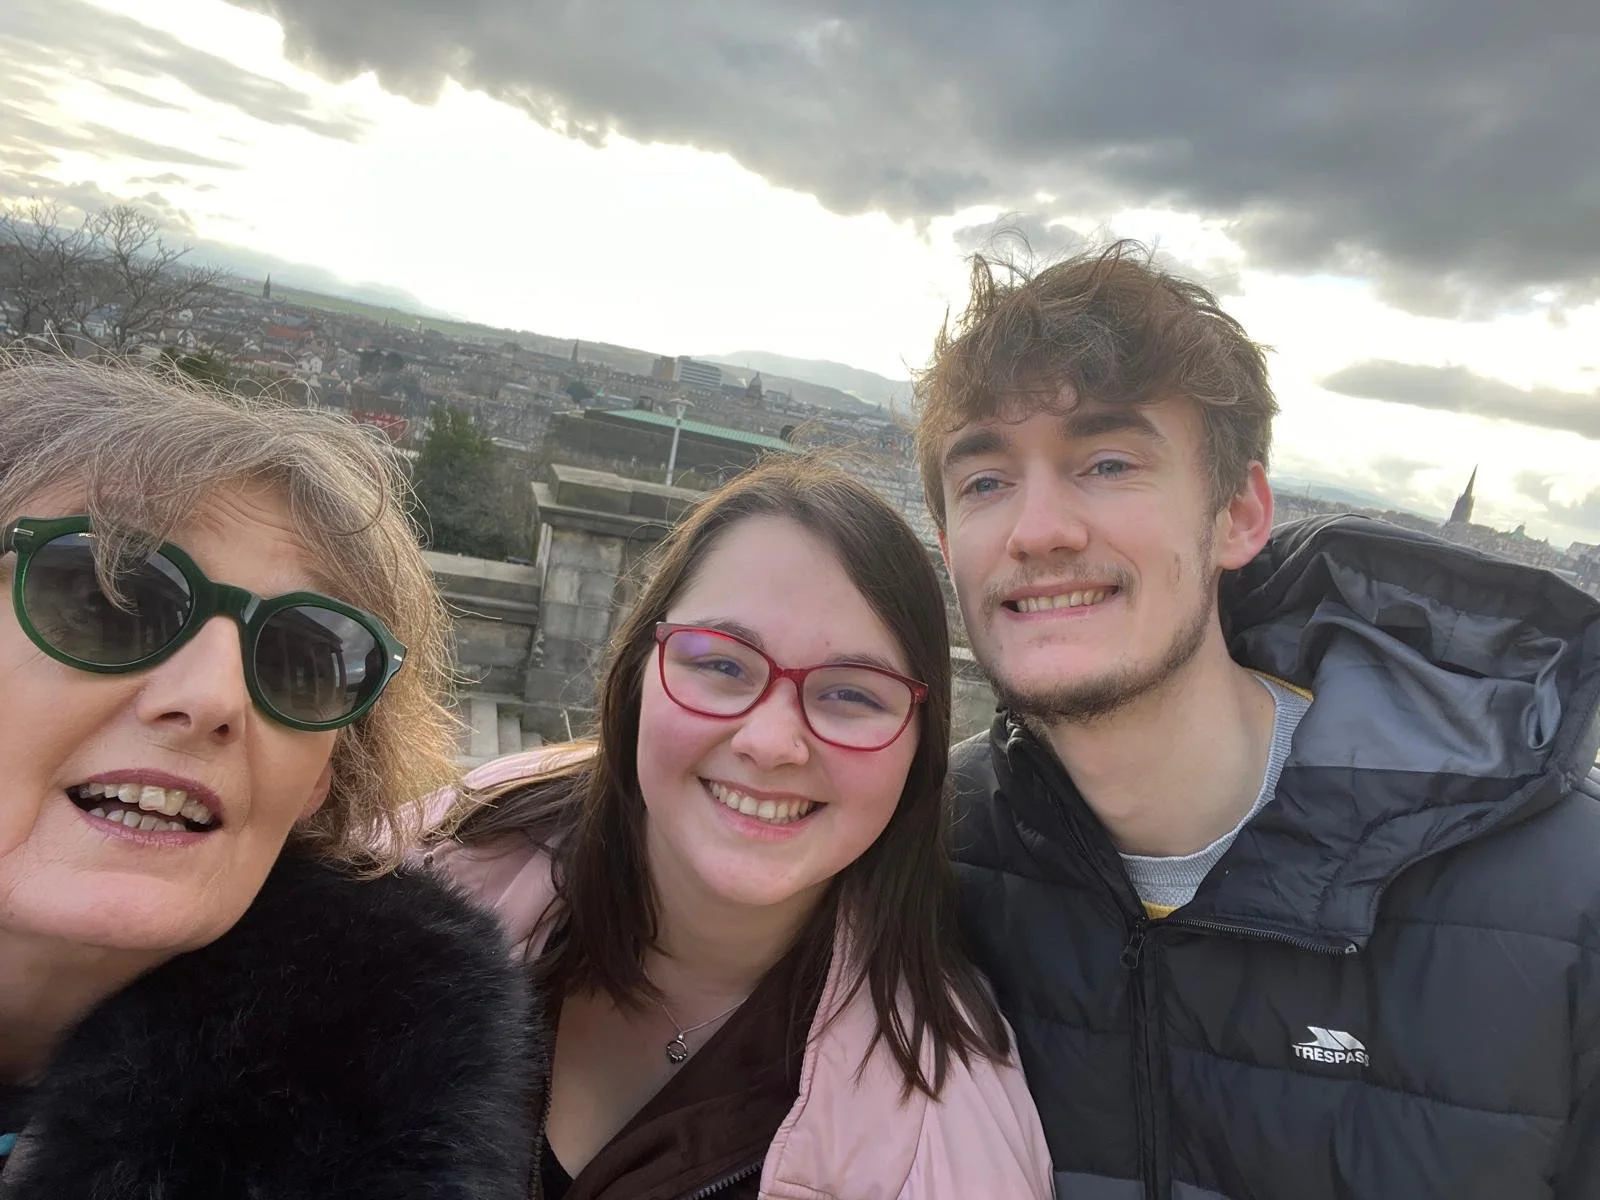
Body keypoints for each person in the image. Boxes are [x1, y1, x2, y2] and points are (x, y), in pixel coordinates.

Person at [916, 241, 1600, 1198]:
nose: (1039, 529)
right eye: (985, 481)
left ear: (1239, 514)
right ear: (949, 546)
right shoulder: (918, 853)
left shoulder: (1564, 895)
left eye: (1108, 463)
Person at [427, 457, 1053, 1199]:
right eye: (721, 666)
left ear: (920, 749)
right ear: (638, 677)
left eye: (852, 693)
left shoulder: (953, 1150)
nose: (771, 741)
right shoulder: (424, 870)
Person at [0, 355, 536, 1198]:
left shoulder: (390, 1106)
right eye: (108, 599)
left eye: (299, 658)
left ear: (320, 781)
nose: (217, 698)